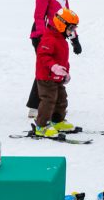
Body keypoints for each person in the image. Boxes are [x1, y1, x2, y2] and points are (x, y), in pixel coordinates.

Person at [27, 0, 80, 117]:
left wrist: (74, 39)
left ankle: (50, 105)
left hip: (58, 35)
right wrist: (43, 37)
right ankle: (36, 106)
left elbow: (67, 16)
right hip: (43, 34)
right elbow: (38, 16)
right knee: (45, 69)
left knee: (56, 69)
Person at [34, 8, 80, 137]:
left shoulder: (61, 39)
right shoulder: (49, 38)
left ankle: (57, 121)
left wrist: (66, 73)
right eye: (71, 28)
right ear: (61, 24)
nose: (72, 31)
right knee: (48, 100)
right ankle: (41, 126)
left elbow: (63, 60)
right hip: (46, 77)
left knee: (61, 99)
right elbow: (43, 55)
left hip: (57, 77)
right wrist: (53, 66)